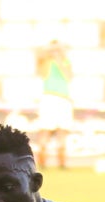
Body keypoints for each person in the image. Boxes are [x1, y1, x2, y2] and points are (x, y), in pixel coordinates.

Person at [34, 40, 73, 169]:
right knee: (45, 131)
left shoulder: (65, 62)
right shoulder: (46, 62)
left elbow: (68, 76)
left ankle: (62, 164)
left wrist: (59, 58)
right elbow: (38, 54)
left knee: (63, 132)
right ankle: (42, 164)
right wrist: (50, 50)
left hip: (63, 99)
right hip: (49, 98)